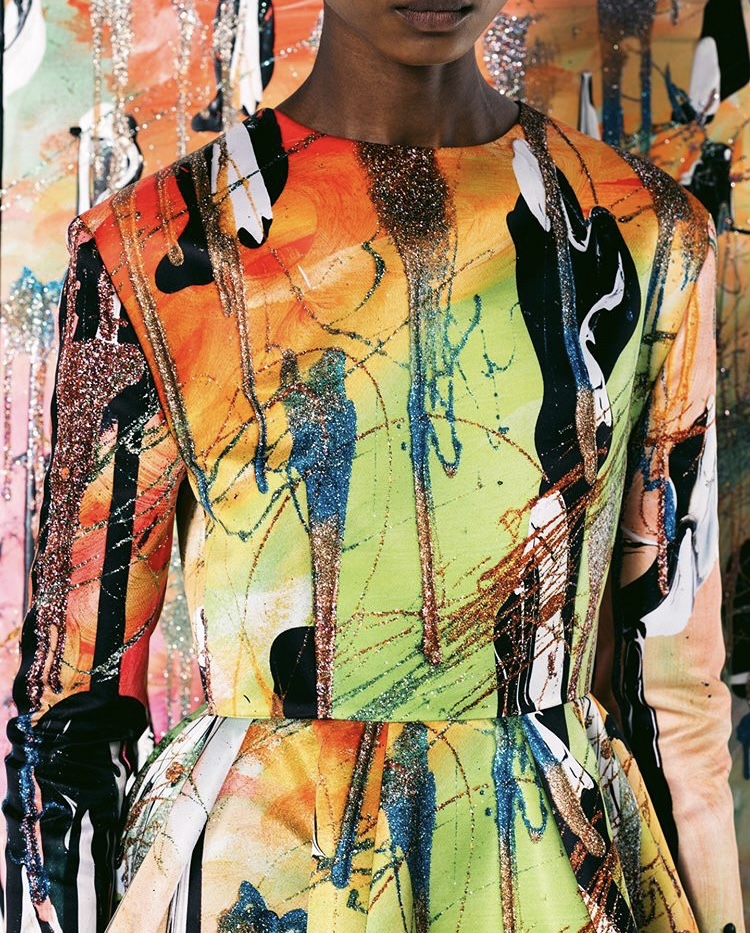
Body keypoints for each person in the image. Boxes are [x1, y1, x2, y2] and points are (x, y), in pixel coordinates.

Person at [3, 1, 744, 931]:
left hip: (549, 881)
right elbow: (69, 713)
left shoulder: (650, 236)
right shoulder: (150, 247)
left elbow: (677, 696)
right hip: (257, 872)